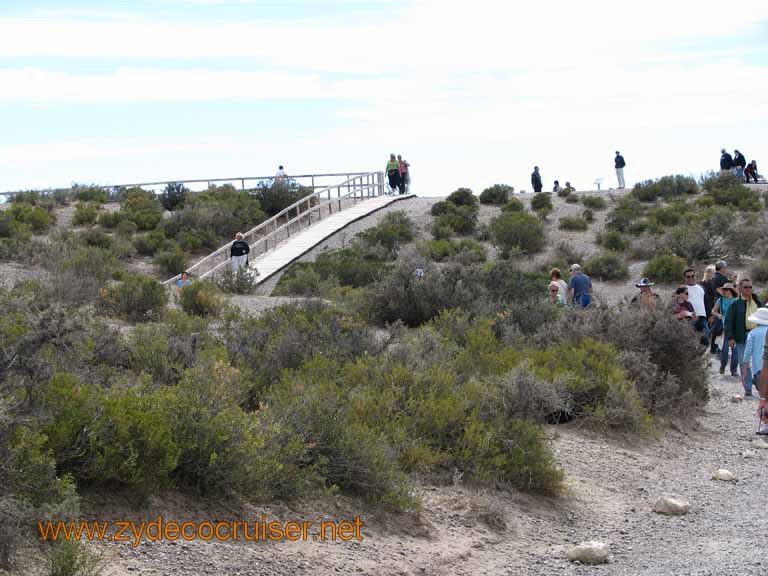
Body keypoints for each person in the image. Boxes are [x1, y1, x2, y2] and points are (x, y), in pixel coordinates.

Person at [725, 277, 763, 388]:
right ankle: (748, 388)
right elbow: (728, 321)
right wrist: (730, 337)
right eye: (745, 287)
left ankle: (759, 383)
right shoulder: (735, 304)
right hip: (742, 336)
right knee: (743, 362)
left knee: (759, 361)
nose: (748, 289)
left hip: (757, 335)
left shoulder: (757, 301)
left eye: (750, 287)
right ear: (740, 288)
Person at [711, 283, 738, 375]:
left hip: (735, 328)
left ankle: (733, 370)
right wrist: (719, 315)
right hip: (724, 328)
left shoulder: (737, 301)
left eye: (726, 289)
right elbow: (713, 311)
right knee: (725, 350)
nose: (724, 291)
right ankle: (722, 366)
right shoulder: (720, 300)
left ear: (731, 291)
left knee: (735, 351)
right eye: (724, 289)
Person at [741, 308, 768, 397]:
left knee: (763, 395)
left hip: (758, 368)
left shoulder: (753, 333)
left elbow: (747, 352)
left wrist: (745, 368)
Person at [683, 267, 710, 344]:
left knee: (706, 338)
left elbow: (707, 303)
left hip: (702, 317)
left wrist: (709, 316)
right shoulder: (683, 289)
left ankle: (704, 356)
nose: (691, 278)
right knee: (691, 341)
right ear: (684, 278)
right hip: (689, 318)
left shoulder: (701, 288)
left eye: (692, 276)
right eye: (688, 277)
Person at [701, 265, 719, 353]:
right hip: (705, 309)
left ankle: (711, 347)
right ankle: (709, 347)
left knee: (711, 328)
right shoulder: (703, 284)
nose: (711, 275)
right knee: (708, 329)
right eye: (710, 273)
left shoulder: (710, 284)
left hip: (711, 308)